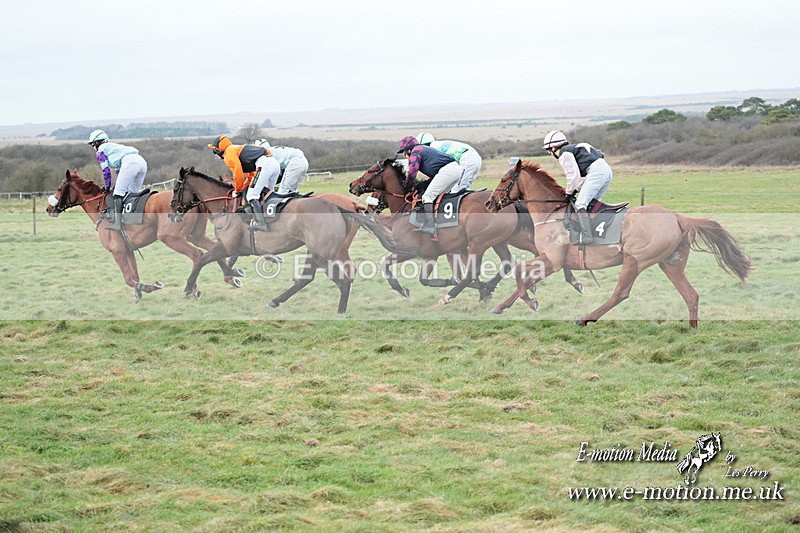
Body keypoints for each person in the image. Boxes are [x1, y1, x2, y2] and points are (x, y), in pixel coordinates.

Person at [542, 130, 613, 244]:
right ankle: (597, 230)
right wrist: (575, 190)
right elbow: (582, 180)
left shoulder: (564, 153)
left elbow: (573, 176)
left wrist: (569, 193)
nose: (550, 153)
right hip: (606, 171)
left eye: (549, 150)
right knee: (592, 203)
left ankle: (587, 237)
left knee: (580, 204)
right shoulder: (575, 148)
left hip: (597, 172)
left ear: (554, 147)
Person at [208, 135, 279, 231]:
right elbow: (250, 176)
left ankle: (261, 223)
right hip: (274, 163)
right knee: (268, 194)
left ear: (219, 150)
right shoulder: (236, 150)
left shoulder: (228, 155)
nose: (214, 153)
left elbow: (238, 174)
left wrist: (237, 191)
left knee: (252, 196)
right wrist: (242, 188)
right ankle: (273, 218)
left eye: (214, 150)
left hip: (264, 165)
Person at [397, 135, 464, 235]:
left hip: (448, 171)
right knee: (440, 197)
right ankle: (445, 224)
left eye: (404, 152)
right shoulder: (424, 149)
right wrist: (420, 185)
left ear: (409, 150)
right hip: (455, 170)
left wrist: (406, 187)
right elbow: (434, 178)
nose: (404, 155)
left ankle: (430, 225)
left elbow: (411, 173)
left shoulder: (416, 151)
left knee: (427, 197)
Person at [87, 130, 148, 231]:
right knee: (132, 193)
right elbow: (119, 174)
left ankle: (117, 224)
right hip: (141, 162)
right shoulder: (114, 149)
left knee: (118, 194)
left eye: (92, 144)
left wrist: (107, 187)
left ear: (96, 143)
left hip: (130, 163)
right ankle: (134, 219)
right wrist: (114, 187)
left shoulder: (100, 152)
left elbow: (106, 172)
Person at [416, 132, 482, 192]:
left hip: (466, 159)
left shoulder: (432, 150)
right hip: (473, 157)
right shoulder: (437, 145)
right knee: (460, 188)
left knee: (456, 191)